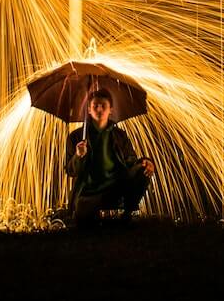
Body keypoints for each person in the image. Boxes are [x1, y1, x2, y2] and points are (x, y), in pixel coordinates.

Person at [64, 87, 156, 228]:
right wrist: (78, 156)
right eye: (95, 106)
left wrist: (146, 162)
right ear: (89, 109)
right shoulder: (76, 137)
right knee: (85, 226)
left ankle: (126, 215)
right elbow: (71, 171)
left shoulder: (120, 135)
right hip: (88, 192)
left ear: (110, 110)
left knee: (143, 170)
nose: (99, 109)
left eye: (103, 106)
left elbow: (131, 160)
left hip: (116, 188)